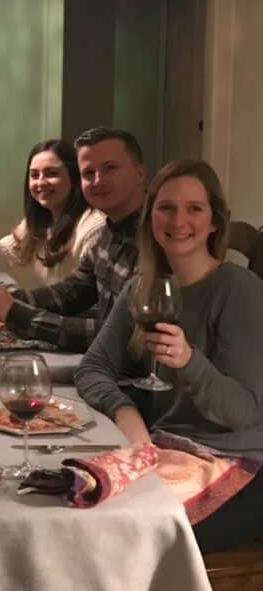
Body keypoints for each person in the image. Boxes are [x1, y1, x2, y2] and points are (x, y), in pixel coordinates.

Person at [75, 159, 263, 552]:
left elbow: (243, 413)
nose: (179, 220)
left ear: (214, 222)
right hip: (166, 449)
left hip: (239, 466)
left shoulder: (238, 289)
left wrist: (189, 361)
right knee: (75, 508)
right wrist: (126, 413)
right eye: (166, 207)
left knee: (119, 538)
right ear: (151, 219)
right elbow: (93, 367)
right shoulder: (141, 289)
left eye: (194, 208)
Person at [0, 127, 146, 351]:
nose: (97, 180)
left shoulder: (153, 237)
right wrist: (0, 301)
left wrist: (15, 312)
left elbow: (121, 337)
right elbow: (71, 293)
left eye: (110, 168)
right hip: (103, 363)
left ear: (140, 173)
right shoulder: (111, 230)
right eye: (88, 173)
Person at [0, 138, 105, 288]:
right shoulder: (40, 220)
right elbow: (7, 255)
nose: (40, 183)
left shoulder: (93, 228)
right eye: (34, 175)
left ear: (74, 177)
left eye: (51, 173)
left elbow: (94, 302)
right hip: (44, 310)